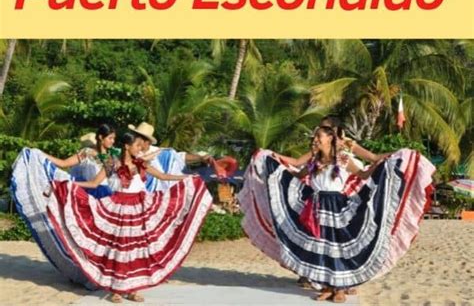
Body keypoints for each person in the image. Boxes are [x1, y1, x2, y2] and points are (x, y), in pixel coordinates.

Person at [253, 127, 434, 303]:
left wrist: (384, 163)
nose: (315, 139)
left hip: (336, 207)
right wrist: (275, 160)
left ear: (330, 139)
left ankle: (340, 289)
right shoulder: (314, 161)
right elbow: (298, 174)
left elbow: (363, 174)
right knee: (322, 247)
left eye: (319, 136)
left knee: (337, 247)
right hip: (315, 207)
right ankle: (327, 287)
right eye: (315, 137)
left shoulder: (342, 158)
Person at [46, 132, 212, 303]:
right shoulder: (112, 163)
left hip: (139, 207)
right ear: (127, 146)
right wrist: (66, 185)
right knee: (118, 248)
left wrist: (188, 178)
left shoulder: (141, 164)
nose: (140, 149)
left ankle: (133, 289)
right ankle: (116, 290)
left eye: (141, 146)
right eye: (137, 146)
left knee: (138, 248)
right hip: (118, 207)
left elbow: (163, 177)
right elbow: (94, 183)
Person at [10, 123, 119, 287]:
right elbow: (63, 163)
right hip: (86, 195)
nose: (112, 141)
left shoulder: (111, 158)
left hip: (104, 196)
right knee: (84, 236)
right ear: (100, 138)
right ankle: (86, 273)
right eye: (110, 138)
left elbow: (106, 181)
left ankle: (102, 273)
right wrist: (40, 154)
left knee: (103, 238)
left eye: (114, 139)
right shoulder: (86, 153)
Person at [128, 122, 214, 192]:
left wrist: (200, 158)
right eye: (136, 137)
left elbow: (178, 158)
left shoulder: (160, 153)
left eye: (141, 138)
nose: (137, 140)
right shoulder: (130, 153)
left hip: (154, 193)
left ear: (148, 142)